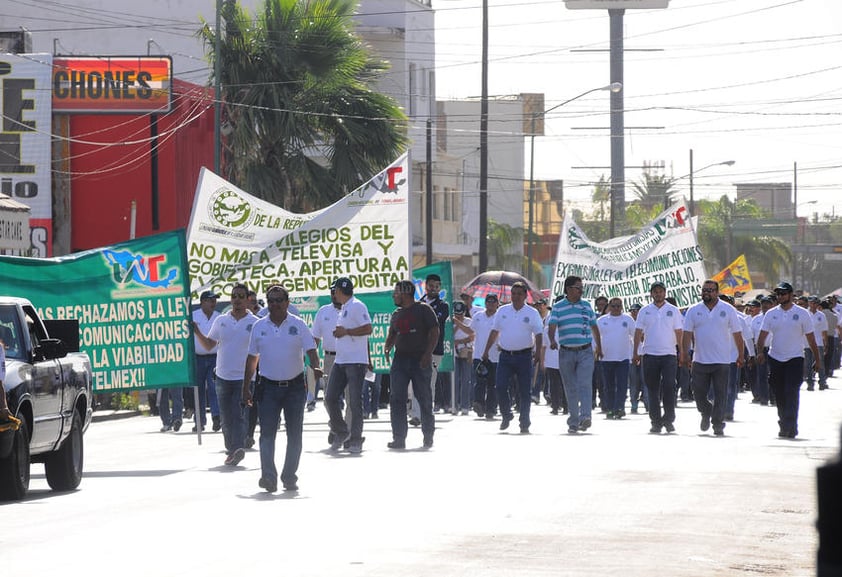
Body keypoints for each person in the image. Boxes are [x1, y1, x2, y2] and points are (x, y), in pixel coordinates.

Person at [243, 285, 322, 493]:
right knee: (267, 434)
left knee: (294, 434)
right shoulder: (259, 327)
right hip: (267, 388)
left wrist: (316, 366)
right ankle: (268, 476)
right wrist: (246, 387)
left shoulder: (298, 324)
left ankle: (289, 476)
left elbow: (311, 349)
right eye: (271, 301)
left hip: (295, 387)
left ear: (287, 302)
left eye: (279, 300)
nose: (275, 305)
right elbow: (252, 359)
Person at [194, 282, 256, 466]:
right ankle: (232, 450)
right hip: (222, 376)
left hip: (244, 378)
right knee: (226, 417)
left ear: (247, 300)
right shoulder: (221, 320)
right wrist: (196, 331)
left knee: (239, 415)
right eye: (234, 296)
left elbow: (261, 350)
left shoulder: (255, 323)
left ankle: (237, 447)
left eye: (240, 296)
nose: (237, 300)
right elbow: (208, 345)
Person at [755, 282, 821, 439]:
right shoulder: (771, 314)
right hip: (775, 357)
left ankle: (790, 425)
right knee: (779, 393)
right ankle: (783, 421)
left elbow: (811, 338)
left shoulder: (802, 314)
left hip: (795, 358)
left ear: (791, 295)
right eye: (778, 294)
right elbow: (762, 336)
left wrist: (817, 359)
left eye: (784, 293)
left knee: (791, 391)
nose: (780, 296)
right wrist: (759, 352)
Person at [680, 280, 745, 437]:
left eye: (710, 290)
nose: (707, 292)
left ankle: (718, 424)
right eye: (704, 290)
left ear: (717, 292)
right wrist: (684, 353)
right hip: (700, 360)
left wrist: (741, 355)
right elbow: (687, 333)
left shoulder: (728, 309)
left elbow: (737, 333)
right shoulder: (693, 310)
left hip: (722, 360)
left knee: (720, 393)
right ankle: (706, 411)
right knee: (698, 393)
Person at [481, 281, 544, 434]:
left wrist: (538, 354)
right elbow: (494, 331)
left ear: (525, 295)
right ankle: (506, 414)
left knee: (524, 391)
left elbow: (539, 334)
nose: (515, 296)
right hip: (505, 356)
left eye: (519, 294)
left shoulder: (532, 313)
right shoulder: (502, 311)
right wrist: (486, 351)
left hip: (524, 356)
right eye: (513, 293)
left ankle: (524, 421)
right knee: (500, 386)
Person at [384, 280, 439, 449]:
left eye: (397, 292)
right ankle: (399, 438)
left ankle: (428, 436)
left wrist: (428, 353)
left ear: (406, 293)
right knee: (397, 399)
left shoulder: (423, 309)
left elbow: (435, 331)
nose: (394, 295)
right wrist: (387, 347)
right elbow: (393, 333)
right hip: (400, 360)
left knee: (424, 398)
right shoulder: (397, 313)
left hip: (419, 359)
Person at [548, 276, 602, 434]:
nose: (581, 291)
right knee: (570, 388)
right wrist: (552, 340)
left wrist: (599, 346)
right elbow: (552, 326)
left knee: (585, 384)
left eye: (581, 288)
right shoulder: (558, 307)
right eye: (578, 288)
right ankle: (573, 421)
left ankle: (585, 417)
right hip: (566, 352)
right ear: (569, 289)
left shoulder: (586, 306)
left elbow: (594, 327)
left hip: (585, 351)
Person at [324, 277, 372, 454]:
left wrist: (346, 332)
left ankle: (356, 439)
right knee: (330, 397)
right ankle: (342, 430)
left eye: (335, 290)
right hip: (341, 360)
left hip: (355, 361)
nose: (333, 294)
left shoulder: (357, 305)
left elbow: (368, 328)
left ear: (340, 291)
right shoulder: (344, 307)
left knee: (354, 401)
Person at [598, 297, 635, 421]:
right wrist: (596, 351)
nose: (616, 308)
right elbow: (595, 337)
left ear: (622, 307)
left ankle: (619, 408)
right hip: (606, 358)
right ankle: (609, 408)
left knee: (622, 385)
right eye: (613, 306)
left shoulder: (628, 319)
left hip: (623, 358)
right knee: (608, 386)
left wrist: (636, 353)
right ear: (609, 307)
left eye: (618, 306)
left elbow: (636, 336)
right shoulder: (601, 320)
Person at [418, 274, 449, 415]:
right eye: (431, 286)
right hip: (417, 349)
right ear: (426, 286)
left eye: (437, 286)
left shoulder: (443, 306)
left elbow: (435, 321)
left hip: (434, 349)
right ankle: (415, 412)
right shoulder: (418, 303)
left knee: (430, 381)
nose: (434, 289)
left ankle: (425, 413)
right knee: (415, 382)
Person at [192, 290, 222, 432]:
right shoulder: (193, 316)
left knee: (213, 387)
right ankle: (199, 420)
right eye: (210, 300)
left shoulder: (219, 317)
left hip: (215, 357)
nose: (213, 303)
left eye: (214, 300)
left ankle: (216, 417)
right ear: (202, 302)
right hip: (197, 357)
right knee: (198, 390)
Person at [310, 287, 341, 412]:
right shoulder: (323, 311)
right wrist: (313, 362)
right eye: (332, 292)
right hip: (330, 358)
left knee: (352, 397)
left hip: (349, 357)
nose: (334, 295)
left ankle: (349, 428)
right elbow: (315, 338)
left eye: (337, 292)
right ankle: (335, 425)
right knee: (329, 396)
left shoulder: (353, 309)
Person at [471, 294, 500, 419]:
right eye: (488, 302)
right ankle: (479, 405)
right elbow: (470, 330)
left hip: (495, 357)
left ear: (497, 304)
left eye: (493, 302)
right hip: (479, 355)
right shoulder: (478, 316)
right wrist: (456, 322)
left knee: (492, 384)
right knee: (480, 382)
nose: (491, 304)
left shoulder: (500, 317)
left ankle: (491, 409)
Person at [452, 300, 475, 415]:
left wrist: (459, 322)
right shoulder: (450, 322)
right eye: (456, 313)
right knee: (455, 380)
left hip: (466, 352)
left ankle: (465, 405)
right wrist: (455, 324)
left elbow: (471, 335)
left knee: (466, 380)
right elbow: (449, 337)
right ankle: (454, 405)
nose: (458, 315)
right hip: (454, 354)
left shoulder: (469, 321)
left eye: (460, 313)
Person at [806, 296, 828, 391]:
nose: (813, 305)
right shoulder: (805, 314)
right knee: (808, 364)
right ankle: (810, 383)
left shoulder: (821, 315)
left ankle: (822, 382)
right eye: (811, 303)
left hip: (818, 343)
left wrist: (826, 343)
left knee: (820, 363)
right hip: (806, 343)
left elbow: (824, 331)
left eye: (815, 303)